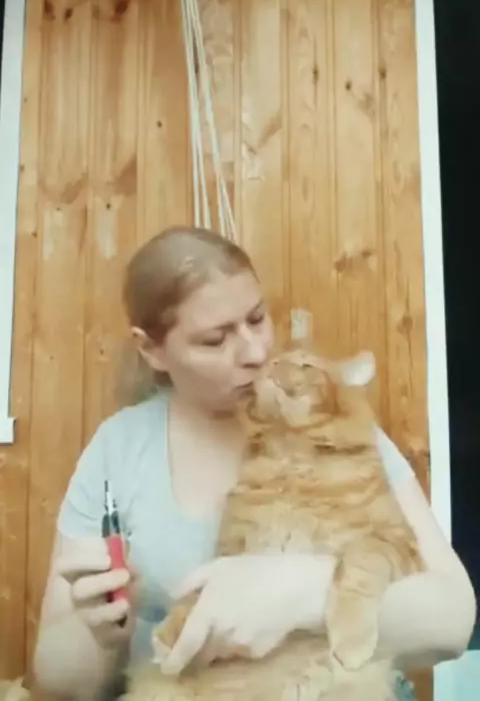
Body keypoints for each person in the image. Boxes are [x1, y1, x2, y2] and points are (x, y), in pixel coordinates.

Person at [32, 226, 476, 700]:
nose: (256, 352)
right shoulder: (118, 448)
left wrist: (304, 594)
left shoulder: (329, 422)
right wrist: (99, 635)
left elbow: (452, 621)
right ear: (151, 350)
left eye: (258, 319)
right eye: (215, 340)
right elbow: (57, 680)